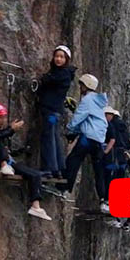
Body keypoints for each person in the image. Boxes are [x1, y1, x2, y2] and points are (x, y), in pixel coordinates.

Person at [0, 102, 53, 221]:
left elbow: (4, 147)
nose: (2, 120)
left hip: (5, 164)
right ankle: (4, 165)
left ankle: (36, 206)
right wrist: (11, 129)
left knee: (35, 175)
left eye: (3, 117)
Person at [55, 73, 109, 213]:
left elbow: (79, 117)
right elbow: (88, 120)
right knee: (98, 171)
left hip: (88, 138)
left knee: (74, 160)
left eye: (82, 85)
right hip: (99, 140)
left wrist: (69, 130)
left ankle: (64, 188)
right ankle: (104, 200)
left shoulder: (88, 99)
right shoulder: (99, 102)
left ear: (87, 86)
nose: (80, 87)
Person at [34, 45, 77, 178]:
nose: (58, 59)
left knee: (48, 137)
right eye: (57, 56)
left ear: (66, 59)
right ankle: (58, 168)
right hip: (55, 111)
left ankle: (49, 168)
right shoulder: (63, 73)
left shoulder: (61, 73)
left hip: (51, 110)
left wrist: (42, 80)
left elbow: (49, 80)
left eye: (61, 57)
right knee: (54, 137)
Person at [101, 106, 130, 196]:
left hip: (114, 153)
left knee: (109, 175)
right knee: (120, 177)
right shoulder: (124, 127)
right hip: (122, 155)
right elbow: (128, 144)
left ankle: (107, 197)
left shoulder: (112, 125)